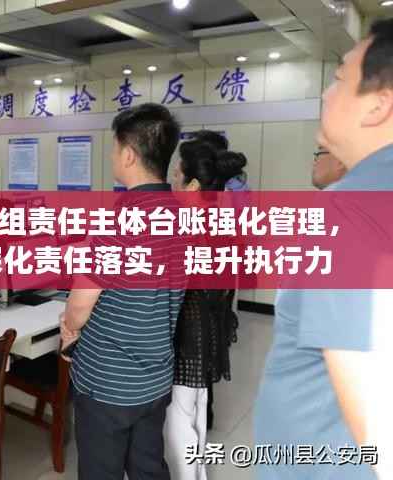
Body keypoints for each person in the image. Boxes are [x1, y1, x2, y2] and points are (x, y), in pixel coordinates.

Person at [254, 17, 393, 479]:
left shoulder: (352, 208)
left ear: (378, 105)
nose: (325, 94)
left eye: (338, 79)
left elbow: (376, 421)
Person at [60, 103, 185, 480]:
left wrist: (69, 329)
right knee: (148, 468)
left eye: (115, 147)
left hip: (108, 384)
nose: (113, 155)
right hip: (156, 376)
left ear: (129, 154)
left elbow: (80, 305)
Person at [164, 139, 247, 480]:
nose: (172, 178)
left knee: (179, 423)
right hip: (207, 331)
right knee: (195, 415)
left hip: (187, 335)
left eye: (177, 173)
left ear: (193, 184)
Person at [191, 130, 248, 430]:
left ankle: (202, 409)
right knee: (212, 337)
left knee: (203, 340)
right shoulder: (234, 188)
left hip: (211, 278)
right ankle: (205, 407)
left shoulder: (217, 198)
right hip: (222, 274)